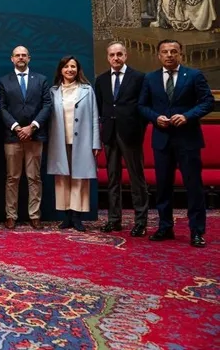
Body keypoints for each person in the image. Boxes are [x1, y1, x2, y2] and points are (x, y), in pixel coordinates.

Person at [138, 39, 214, 248]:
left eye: (173, 51)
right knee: (163, 187)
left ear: (180, 54)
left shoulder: (194, 75)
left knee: (194, 187)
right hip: (162, 140)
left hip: (188, 139)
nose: (169, 55)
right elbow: (142, 106)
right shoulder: (150, 78)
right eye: (165, 52)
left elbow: (207, 101)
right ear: (159, 55)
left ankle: (197, 232)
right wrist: (155, 117)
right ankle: (165, 227)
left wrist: (188, 116)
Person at [94, 42, 148, 236]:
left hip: (130, 134)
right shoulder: (100, 80)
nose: (115, 58)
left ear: (126, 56)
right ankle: (113, 219)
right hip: (110, 134)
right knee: (112, 178)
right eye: (112, 55)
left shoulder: (139, 78)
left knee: (136, 178)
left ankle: (140, 221)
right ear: (108, 58)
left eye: (119, 54)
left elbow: (143, 108)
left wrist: (138, 130)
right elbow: (100, 108)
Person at [0, 45, 51, 229]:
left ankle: (35, 215)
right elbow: (2, 108)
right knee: (12, 178)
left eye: (24, 55)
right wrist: (16, 127)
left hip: (35, 136)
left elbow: (47, 105)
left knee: (34, 177)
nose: (20, 58)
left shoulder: (41, 80)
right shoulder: (4, 81)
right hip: (12, 137)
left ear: (29, 58)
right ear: (11, 59)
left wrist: (32, 127)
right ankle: (11, 215)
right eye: (17, 55)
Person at [47, 56, 101, 232]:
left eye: (73, 67)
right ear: (60, 69)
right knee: (62, 178)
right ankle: (66, 216)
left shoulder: (87, 90)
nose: (70, 69)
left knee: (80, 178)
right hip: (59, 141)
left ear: (78, 70)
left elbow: (94, 117)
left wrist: (95, 143)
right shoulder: (53, 91)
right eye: (66, 66)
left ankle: (77, 216)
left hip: (82, 141)